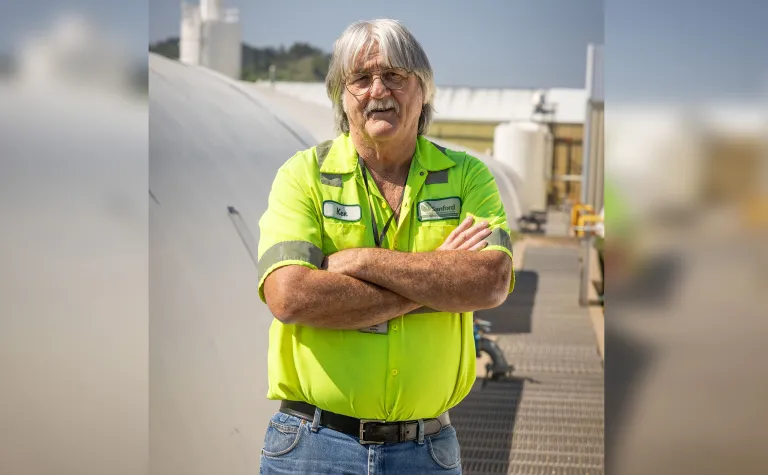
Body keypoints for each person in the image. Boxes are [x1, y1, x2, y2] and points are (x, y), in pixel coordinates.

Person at [256, 19, 515, 474]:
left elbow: (490, 280)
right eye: (360, 78)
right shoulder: (303, 176)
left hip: (425, 450)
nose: (378, 89)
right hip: (313, 446)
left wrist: (361, 261)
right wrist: (438, 280)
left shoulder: (467, 175)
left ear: (424, 90)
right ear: (342, 93)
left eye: (395, 75)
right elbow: (290, 295)